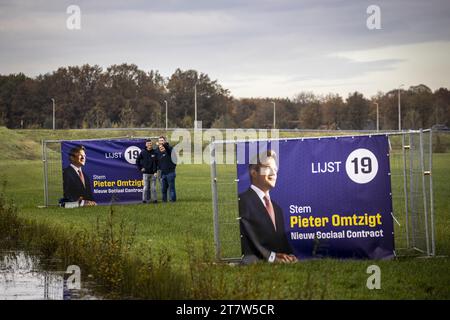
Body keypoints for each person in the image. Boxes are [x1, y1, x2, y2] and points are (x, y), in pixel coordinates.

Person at [238, 150, 296, 264]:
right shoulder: (242, 201)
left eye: (275, 169)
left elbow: (280, 240)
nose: (274, 173)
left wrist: (289, 256)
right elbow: (249, 238)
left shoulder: (277, 209)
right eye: (268, 168)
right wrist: (271, 257)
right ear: (254, 172)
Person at [136, 139, 158, 203]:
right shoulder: (143, 152)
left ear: (152, 144)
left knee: (153, 188)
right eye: (148, 144)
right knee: (145, 188)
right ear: (146, 145)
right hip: (145, 173)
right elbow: (137, 160)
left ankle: (155, 200)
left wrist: (155, 171)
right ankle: (144, 200)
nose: (149, 145)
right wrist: (140, 168)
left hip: (153, 173)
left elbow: (156, 163)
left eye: (150, 144)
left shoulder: (154, 152)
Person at [157, 136, 176, 202]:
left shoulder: (169, 150)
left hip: (170, 173)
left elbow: (167, 148)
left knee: (171, 188)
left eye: (162, 140)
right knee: (163, 189)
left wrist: (164, 144)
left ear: (165, 141)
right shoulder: (158, 152)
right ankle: (164, 201)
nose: (161, 142)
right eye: (159, 141)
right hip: (163, 174)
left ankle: (172, 201)